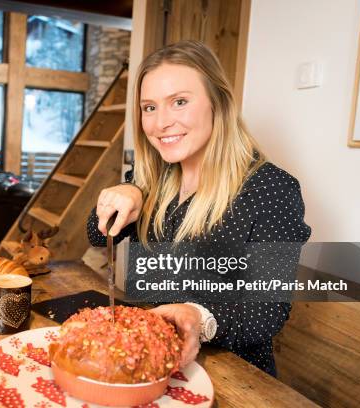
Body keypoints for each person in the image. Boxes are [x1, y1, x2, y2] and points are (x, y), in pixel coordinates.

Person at [86, 40, 311, 377]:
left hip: (232, 376)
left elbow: (266, 313)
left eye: (179, 102)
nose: (161, 122)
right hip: (150, 361)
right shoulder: (155, 178)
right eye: (149, 107)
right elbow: (95, 233)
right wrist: (128, 189)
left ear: (217, 104)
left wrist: (197, 316)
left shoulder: (270, 189)